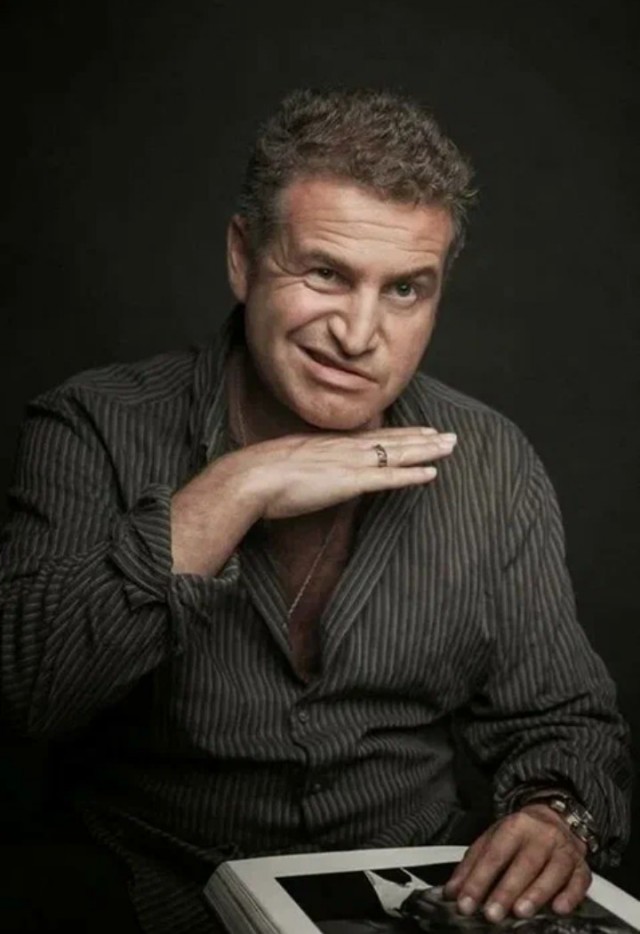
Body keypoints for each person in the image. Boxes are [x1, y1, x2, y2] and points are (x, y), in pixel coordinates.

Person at [0, 88, 631, 934]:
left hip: (410, 896)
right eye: (326, 273)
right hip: (142, 891)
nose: (359, 334)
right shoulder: (92, 423)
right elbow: (28, 695)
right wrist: (235, 488)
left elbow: (563, 718)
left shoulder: (493, 462)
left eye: (405, 290)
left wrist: (556, 814)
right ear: (242, 256)